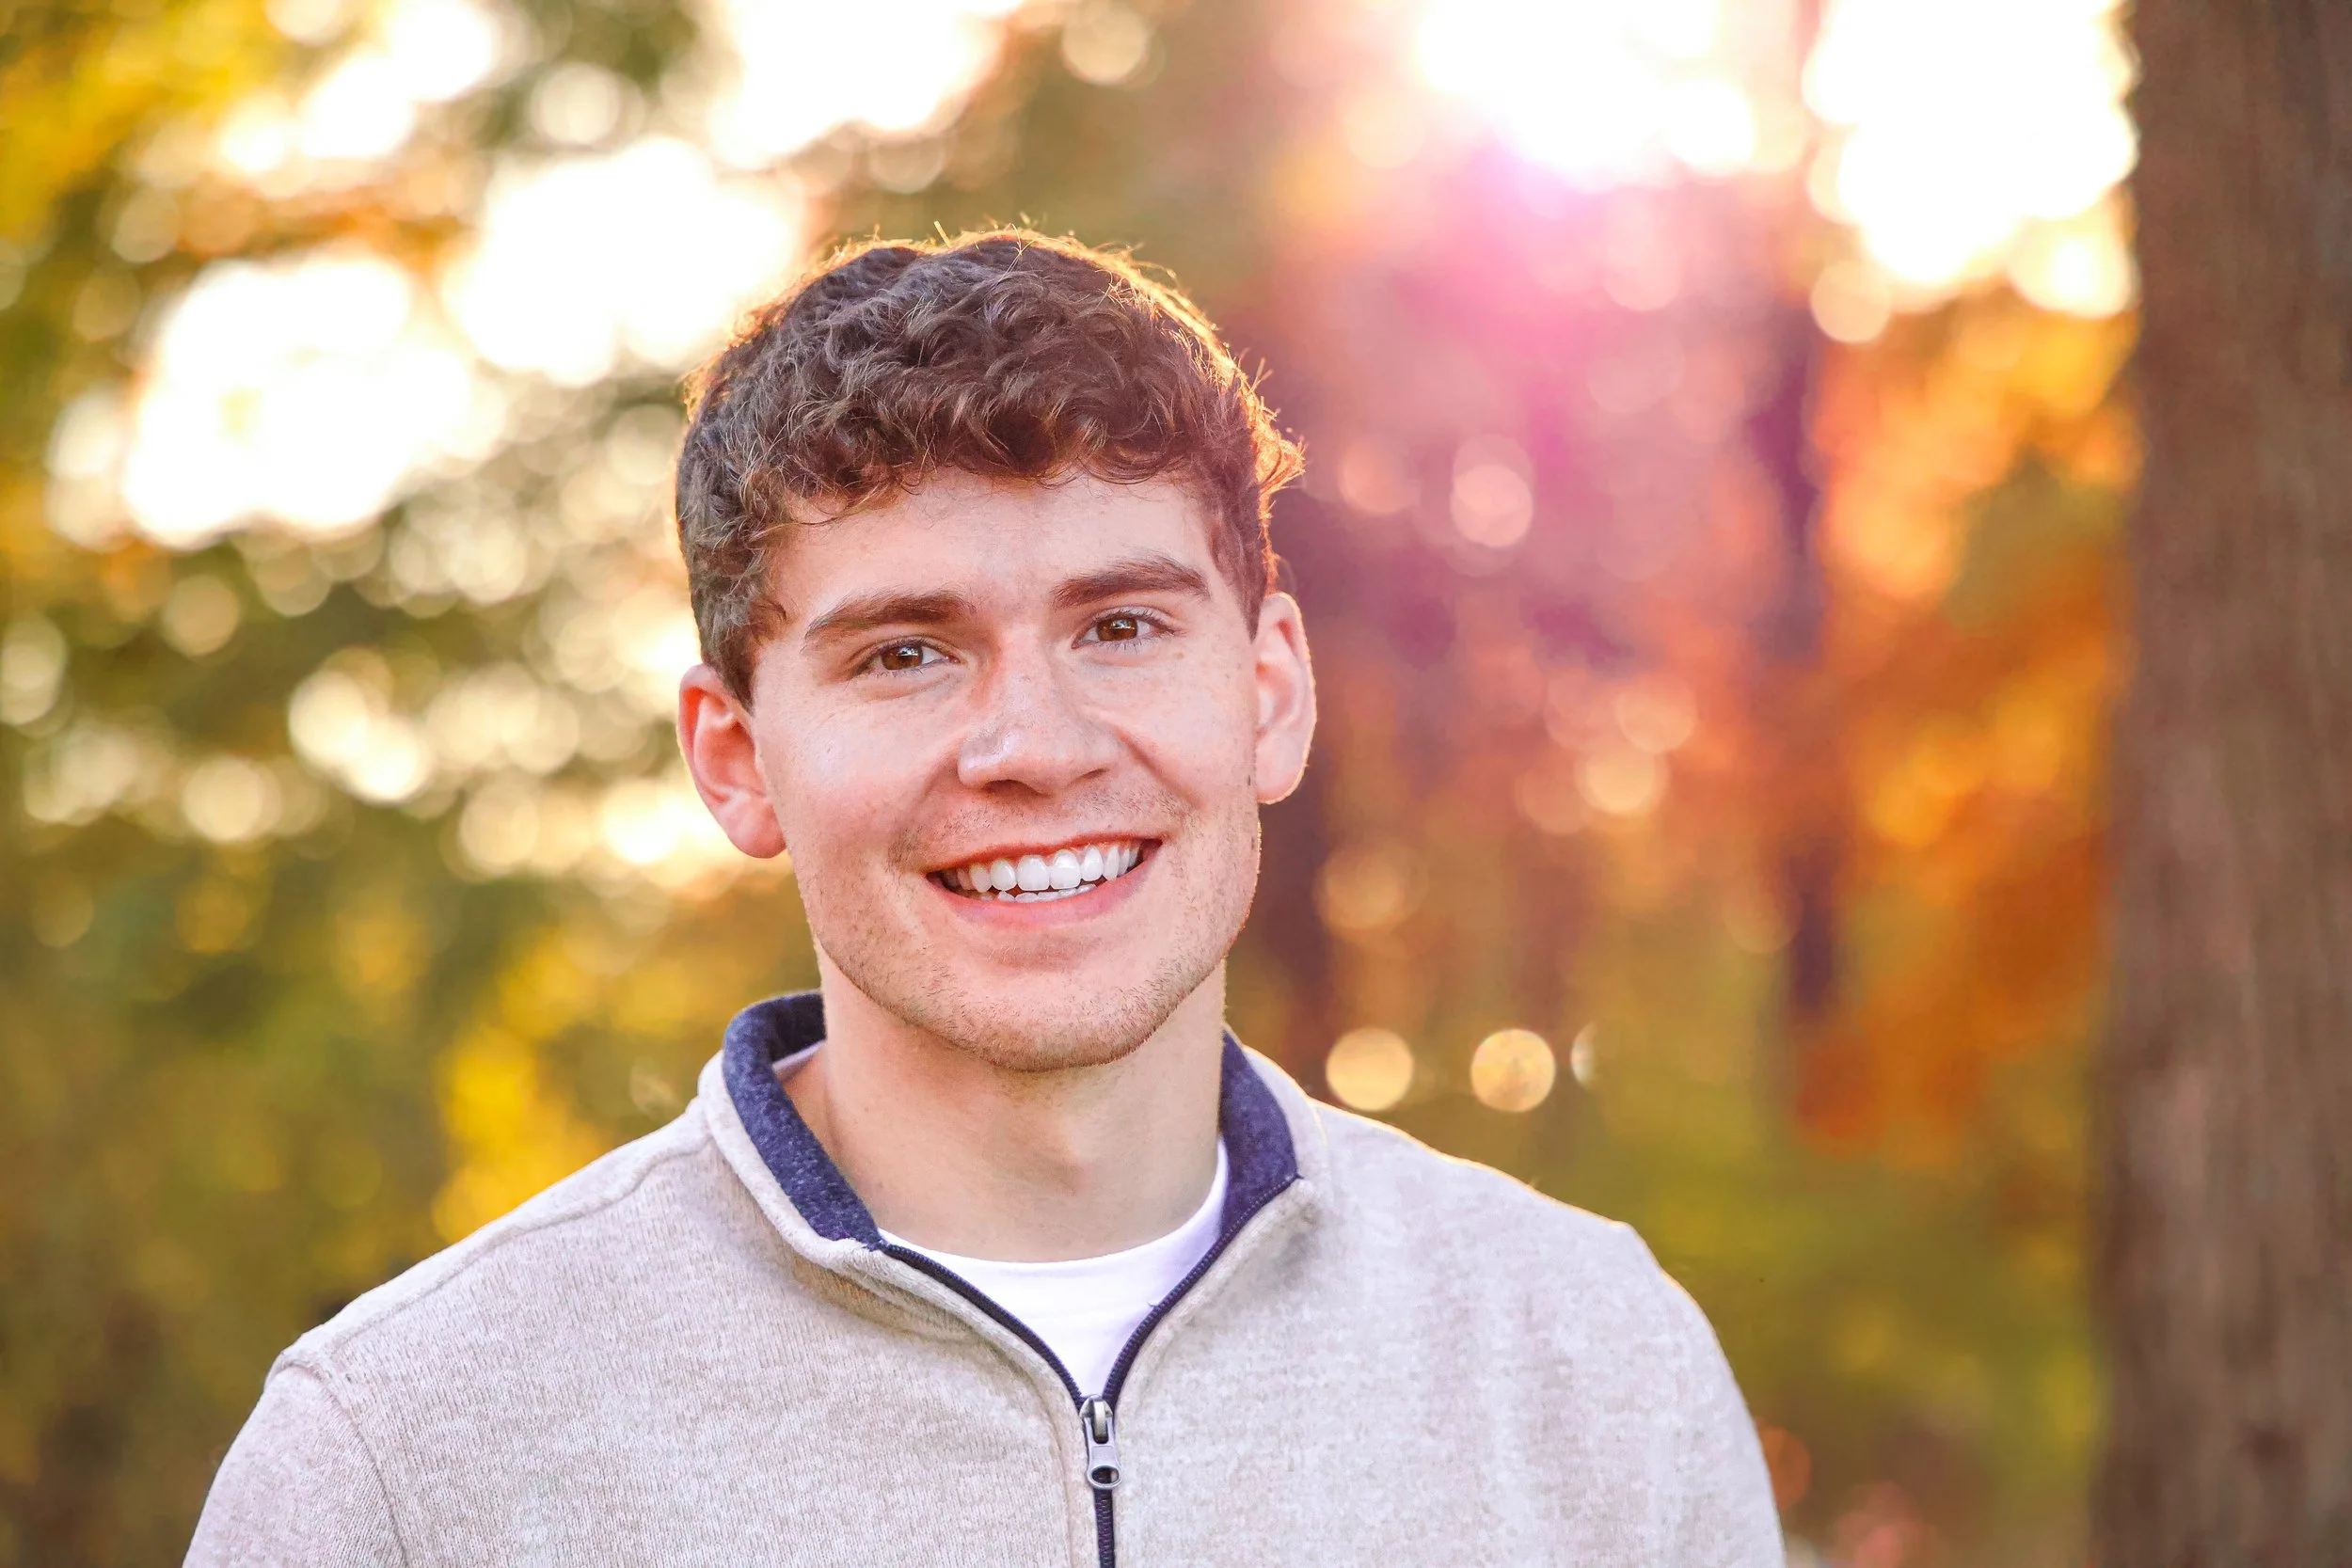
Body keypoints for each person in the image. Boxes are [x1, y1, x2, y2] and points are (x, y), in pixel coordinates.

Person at [188, 231, 1782, 1565]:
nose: (1032, 747)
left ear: (1271, 690)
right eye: (905, 652)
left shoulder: (1596, 1372)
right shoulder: (401, 1464)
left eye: (1123, 625)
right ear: (736, 758)